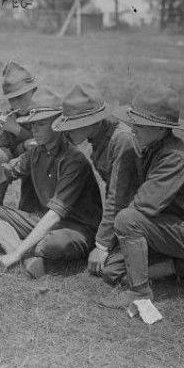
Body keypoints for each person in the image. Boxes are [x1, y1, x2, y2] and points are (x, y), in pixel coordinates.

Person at [98, 84, 184, 308]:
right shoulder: (152, 146)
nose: (133, 129)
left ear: (161, 129)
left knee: (126, 220)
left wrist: (120, 228)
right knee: (112, 270)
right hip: (166, 226)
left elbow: (144, 205)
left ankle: (140, 292)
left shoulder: (174, 157)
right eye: (133, 123)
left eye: (140, 125)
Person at [0, 88, 102, 279]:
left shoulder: (74, 160)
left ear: (57, 123)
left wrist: (17, 253)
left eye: (40, 124)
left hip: (75, 227)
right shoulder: (36, 151)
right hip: (43, 220)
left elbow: (56, 214)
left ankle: (14, 243)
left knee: (53, 244)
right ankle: (25, 254)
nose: (34, 130)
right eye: (32, 125)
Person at [50, 83, 141, 285]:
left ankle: (180, 262)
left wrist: (102, 245)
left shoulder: (121, 140)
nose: (66, 132)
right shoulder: (97, 139)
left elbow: (118, 196)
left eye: (72, 125)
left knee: (110, 270)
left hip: (144, 217)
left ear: (91, 121)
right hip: (126, 216)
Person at [0, 61, 38, 205]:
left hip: (48, 164)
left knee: (34, 149)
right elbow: (8, 149)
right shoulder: (10, 116)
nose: (16, 102)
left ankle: (33, 203)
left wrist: (17, 130)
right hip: (20, 161)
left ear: (34, 90)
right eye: (11, 97)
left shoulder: (46, 111)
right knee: (0, 154)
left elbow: (47, 143)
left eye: (21, 96)